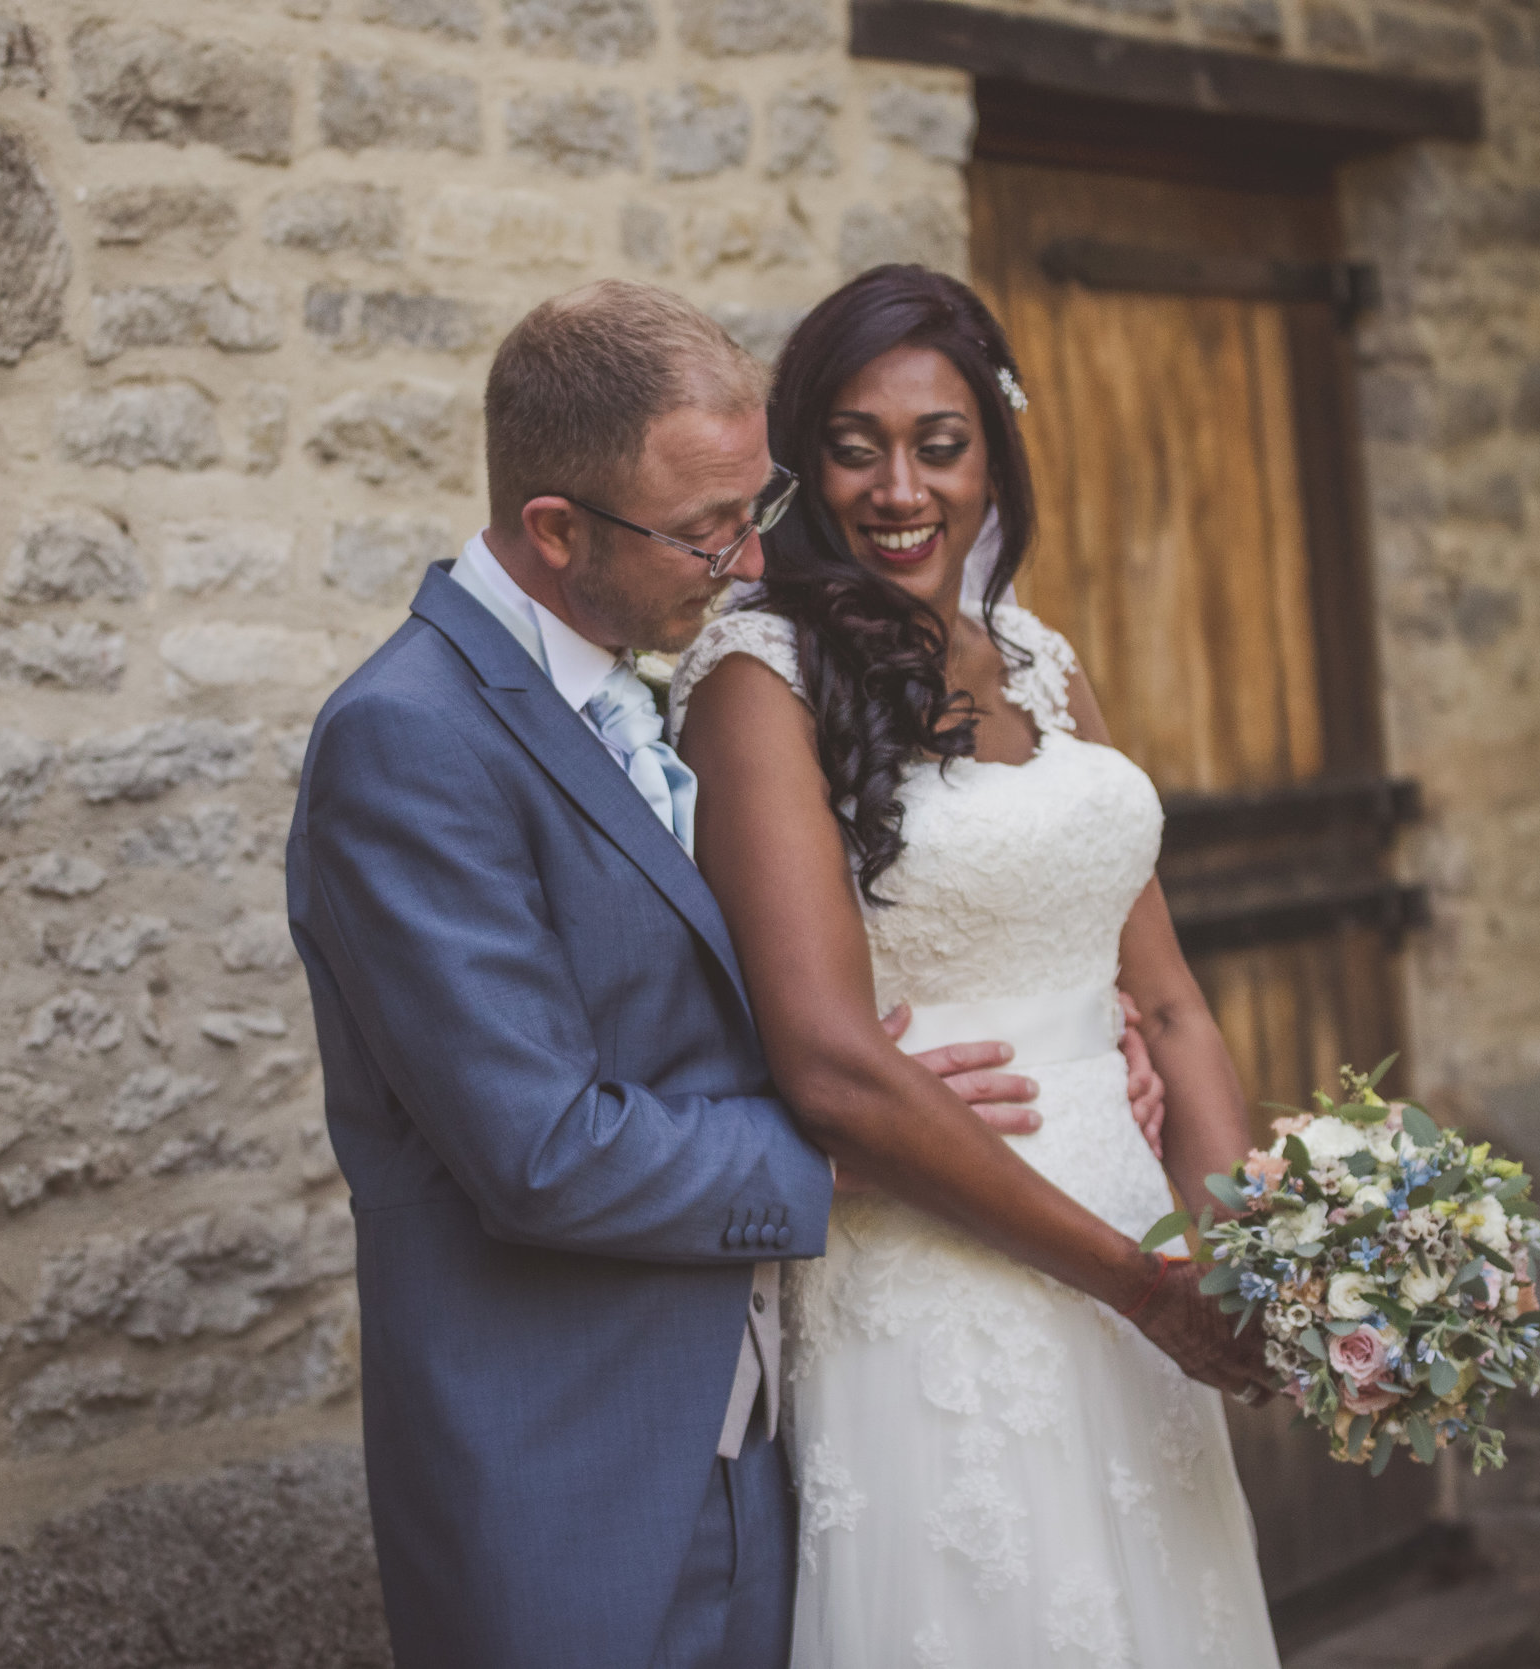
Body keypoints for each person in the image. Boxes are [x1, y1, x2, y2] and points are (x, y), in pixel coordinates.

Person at [284, 280, 1186, 1669]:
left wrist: (1063, 1001)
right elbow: (540, 1145)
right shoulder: (408, 739)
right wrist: (843, 1159)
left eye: (755, 509)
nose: (752, 562)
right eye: (709, 530)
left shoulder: (634, 681)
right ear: (554, 531)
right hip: (573, 1467)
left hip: (768, 1440)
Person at [670, 264, 1285, 1666]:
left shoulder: (1042, 661)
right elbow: (830, 1067)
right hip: (941, 1276)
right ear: (803, 465)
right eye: (855, 444)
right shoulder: (757, 679)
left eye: (938, 444)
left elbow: (1171, 996)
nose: (900, 487)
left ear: (992, 451)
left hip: (1146, 1264)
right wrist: (1139, 1281)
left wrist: (1239, 1256)